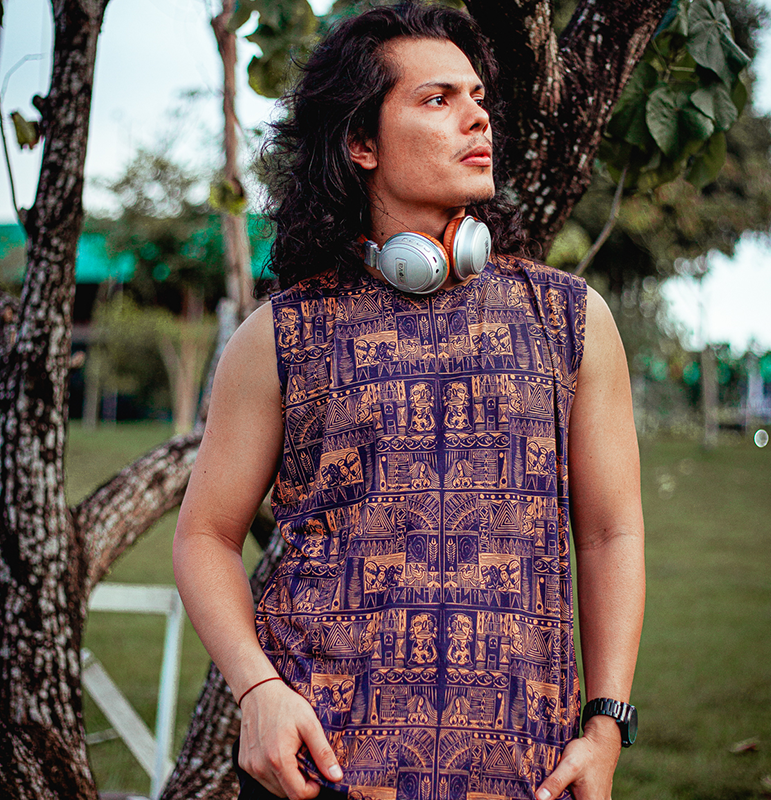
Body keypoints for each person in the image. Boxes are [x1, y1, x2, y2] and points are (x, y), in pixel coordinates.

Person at [173, 4, 645, 800]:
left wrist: (605, 724)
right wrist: (258, 692)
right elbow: (204, 536)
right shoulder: (278, 335)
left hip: (525, 775)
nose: (477, 117)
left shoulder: (570, 319)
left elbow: (610, 534)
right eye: (438, 99)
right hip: (318, 771)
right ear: (362, 142)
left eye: (477, 97)